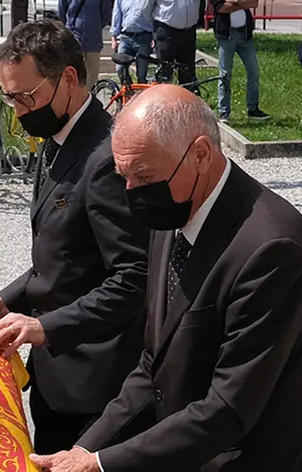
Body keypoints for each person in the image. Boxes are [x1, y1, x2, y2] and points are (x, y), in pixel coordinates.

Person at [31, 85, 302, 472]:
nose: (132, 193)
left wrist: (102, 463)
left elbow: (228, 407)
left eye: (143, 176)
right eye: (124, 177)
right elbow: (153, 363)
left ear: (201, 154)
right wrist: (85, 450)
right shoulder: (172, 211)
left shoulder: (271, 249)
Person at [0, 20, 150, 455]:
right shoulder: (60, 136)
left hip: (96, 387)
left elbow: (134, 277)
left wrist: (44, 327)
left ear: (68, 79)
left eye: (26, 96)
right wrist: (7, 299)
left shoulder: (105, 158)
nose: (18, 111)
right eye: (9, 97)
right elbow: (65, 252)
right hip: (58, 374)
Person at [212, 0, 269, 123]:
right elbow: (221, 8)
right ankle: (224, 112)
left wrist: (235, 2)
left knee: (254, 73)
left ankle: (253, 109)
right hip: (226, 36)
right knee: (225, 75)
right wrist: (243, 4)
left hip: (245, 35)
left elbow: (254, 3)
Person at [145, 0, 206, 84]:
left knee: (188, 74)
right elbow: (147, 8)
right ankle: (165, 92)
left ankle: (187, 91)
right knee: (165, 74)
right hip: (166, 31)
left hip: (189, 32)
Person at [59, 0, 112, 88]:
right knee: (73, 73)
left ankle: (89, 95)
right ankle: (73, 94)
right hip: (73, 38)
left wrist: (95, 27)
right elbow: (62, 13)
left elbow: (106, 15)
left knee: (92, 74)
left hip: (93, 40)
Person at [110, 0, 154, 83]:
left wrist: (154, 37)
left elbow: (156, 15)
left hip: (144, 38)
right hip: (125, 38)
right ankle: (129, 88)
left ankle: (141, 90)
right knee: (120, 68)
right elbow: (116, 16)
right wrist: (113, 38)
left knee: (141, 74)